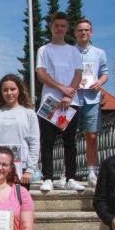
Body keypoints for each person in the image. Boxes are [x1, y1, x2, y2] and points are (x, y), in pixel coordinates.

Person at [36, 12, 85, 192]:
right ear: (51, 27)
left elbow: (78, 74)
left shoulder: (73, 51)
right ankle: (48, 177)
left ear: (67, 28)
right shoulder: (44, 50)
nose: (60, 29)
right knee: (47, 140)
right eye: (56, 25)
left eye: (63, 26)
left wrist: (68, 93)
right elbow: (41, 73)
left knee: (70, 141)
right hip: (50, 101)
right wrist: (60, 89)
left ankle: (71, 176)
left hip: (70, 102)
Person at [0, 74, 40, 188]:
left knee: (19, 203)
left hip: (21, 170)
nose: (9, 93)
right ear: (0, 92)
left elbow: (34, 142)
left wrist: (30, 169)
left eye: (12, 89)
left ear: (19, 90)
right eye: (5, 90)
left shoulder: (29, 113)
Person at [74, 19, 110, 187]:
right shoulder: (69, 51)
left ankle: (91, 171)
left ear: (91, 32)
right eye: (80, 30)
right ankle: (70, 171)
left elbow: (105, 73)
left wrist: (99, 83)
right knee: (69, 136)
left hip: (91, 97)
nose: (83, 33)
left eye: (87, 30)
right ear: (75, 33)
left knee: (92, 135)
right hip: (73, 97)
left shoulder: (99, 53)